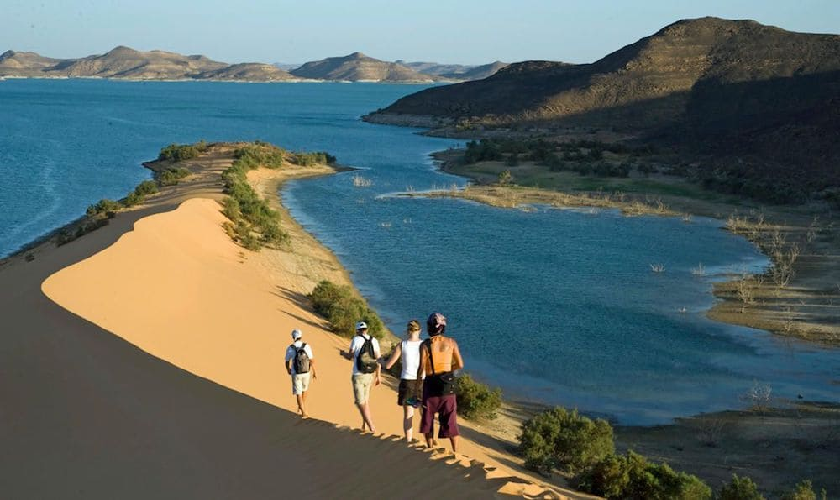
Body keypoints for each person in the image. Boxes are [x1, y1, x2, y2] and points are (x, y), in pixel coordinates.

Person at [416, 312, 464, 452]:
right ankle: (456, 452)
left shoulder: (425, 345)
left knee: (428, 419)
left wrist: (417, 387)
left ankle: (430, 448)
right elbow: (460, 364)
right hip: (447, 386)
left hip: (430, 386)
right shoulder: (451, 342)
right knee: (450, 421)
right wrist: (449, 369)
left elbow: (421, 369)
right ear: (442, 328)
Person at [385, 319, 424, 443]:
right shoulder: (425, 346)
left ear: (407, 331)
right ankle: (429, 440)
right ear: (420, 331)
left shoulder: (402, 345)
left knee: (408, 414)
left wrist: (381, 362)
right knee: (425, 414)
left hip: (407, 382)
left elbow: (388, 365)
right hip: (422, 382)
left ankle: (408, 440)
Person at [347, 321, 381, 433]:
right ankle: (364, 425)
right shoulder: (374, 340)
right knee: (365, 400)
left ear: (357, 330)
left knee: (360, 402)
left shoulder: (355, 340)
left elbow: (350, 356)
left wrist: (343, 354)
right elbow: (378, 359)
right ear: (366, 329)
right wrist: (378, 375)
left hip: (358, 374)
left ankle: (371, 426)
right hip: (370, 374)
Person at [284, 328, 316, 418]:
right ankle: (301, 405)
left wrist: (288, 369)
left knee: (298, 393)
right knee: (304, 390)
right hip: (306, 372)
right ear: (301, 336)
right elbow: (312, 360)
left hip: (296, 373)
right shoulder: (307, 346)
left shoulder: (290, 348)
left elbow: (287, 361)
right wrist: (314, 371)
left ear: (293, 337)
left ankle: (303, 412)